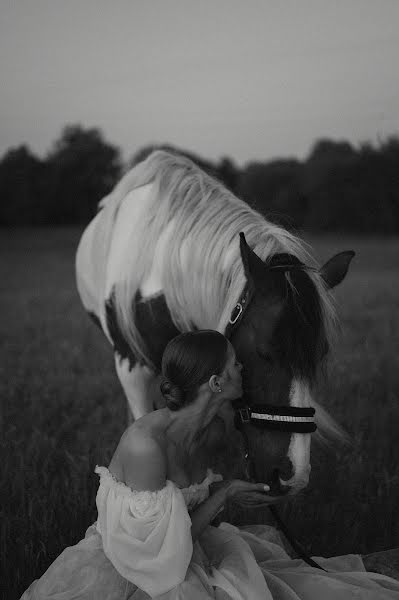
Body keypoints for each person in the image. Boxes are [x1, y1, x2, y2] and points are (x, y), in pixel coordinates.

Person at [20, 331, 399, 599]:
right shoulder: (146, 446)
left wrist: (222, 494)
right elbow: (160, 556)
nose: (243, 370)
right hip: (136, 568)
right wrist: (225, 493)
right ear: (217, 383)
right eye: (237, 365)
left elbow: (189, 521)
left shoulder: (213, 431)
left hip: (182, 549)